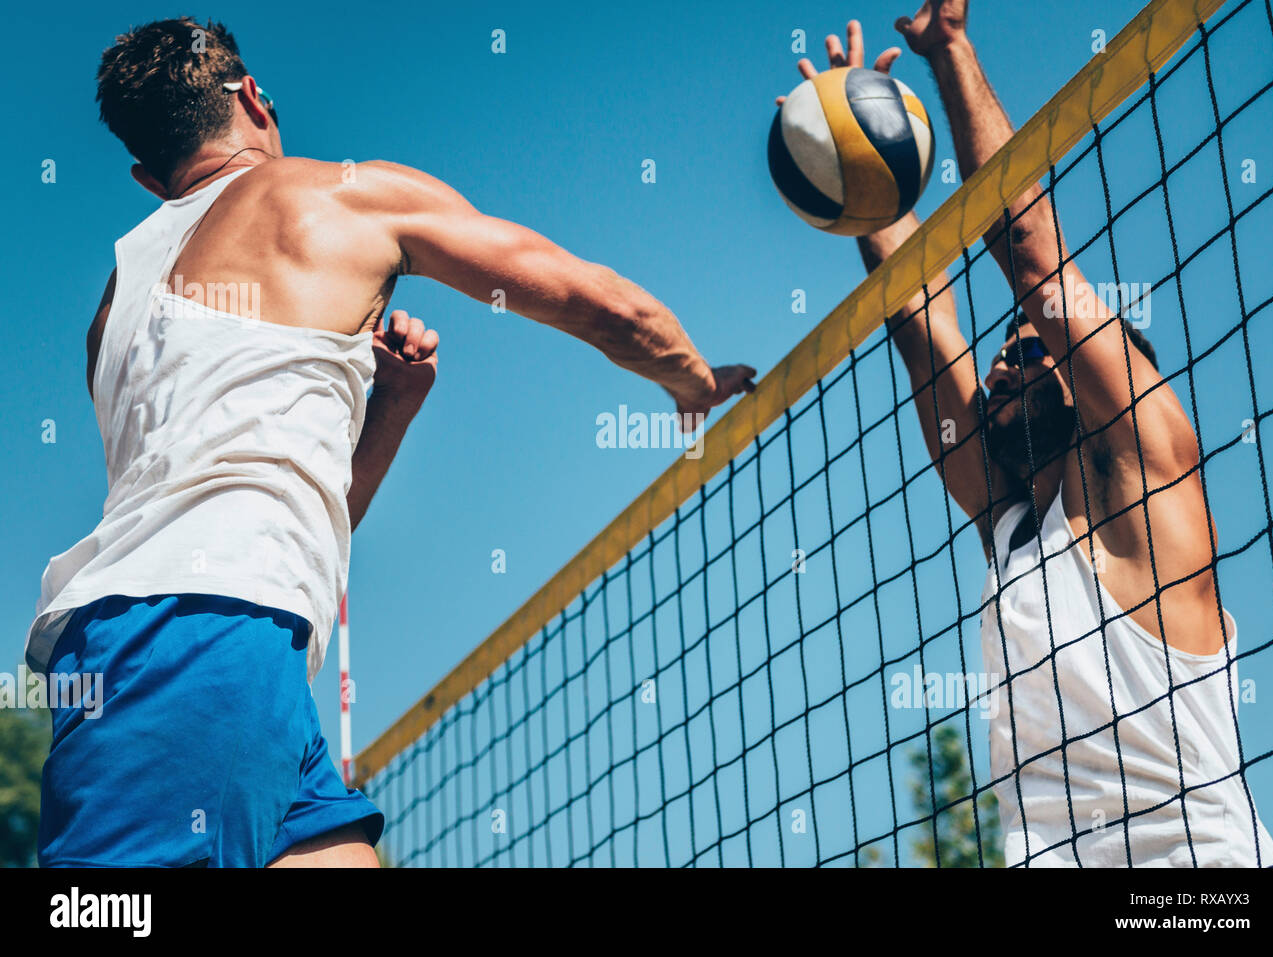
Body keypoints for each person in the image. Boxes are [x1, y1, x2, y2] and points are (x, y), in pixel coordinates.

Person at [29, 17, 755, 868]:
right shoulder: (340, 195)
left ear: (147, 176)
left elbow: (287, 515)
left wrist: (393, 408)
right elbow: (601, 303)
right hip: (187, 646)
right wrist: (691, 383)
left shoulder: (112, 310)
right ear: (254, 98)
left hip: (228, 650)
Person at [788, 4, 1273, 866]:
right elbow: (918, 324)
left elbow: (1033, 259)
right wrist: (862, 167)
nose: (1003, 366)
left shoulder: (1149, 468)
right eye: (1005, 356)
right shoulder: (1010, 525)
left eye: (1029, 352)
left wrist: (948, 50)